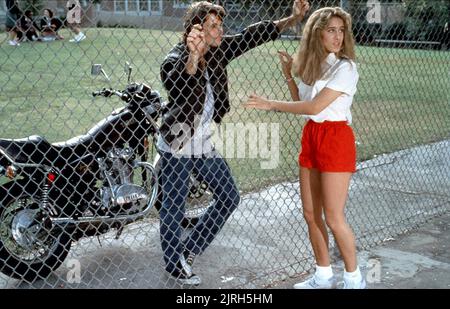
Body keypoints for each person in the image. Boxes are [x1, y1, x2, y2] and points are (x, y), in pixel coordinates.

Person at [158, 0, 310, 285]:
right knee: (174, 206)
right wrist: (193, 56)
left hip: (202, 141)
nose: (220, 30)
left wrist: (293, 18)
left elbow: (254, 35)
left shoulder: (220, 49)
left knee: (229, 196)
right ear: (196, 29)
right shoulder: (177, 56)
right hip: (178, 140)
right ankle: (173, 264)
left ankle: (189, 249)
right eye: (212, 26)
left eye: (220, 25)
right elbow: (175, 80)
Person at [243, 7, 366, 289]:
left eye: (341, 30)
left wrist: (271, 103)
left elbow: (315, 107)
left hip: (335, 138)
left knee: (334, 217)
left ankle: (354, 279)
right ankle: (323, 275)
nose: (337, 36)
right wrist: (288, 74)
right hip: (312, 135)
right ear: (317, 33)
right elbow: (304, 105)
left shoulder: (346, 67)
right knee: (311, 214)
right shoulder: (315, 66)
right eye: (331, 30)